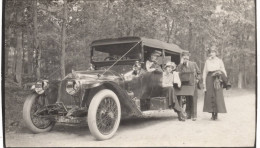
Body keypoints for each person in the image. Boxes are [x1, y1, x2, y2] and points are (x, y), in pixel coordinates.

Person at [202, 46, 227, 120]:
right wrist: (204, 83)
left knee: (217, 95)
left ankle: (216, 114)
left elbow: (223, 69)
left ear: (216, 53)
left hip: (217, 78)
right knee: (210, 95)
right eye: (211, 52)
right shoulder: (207, 61)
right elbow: (205, 72)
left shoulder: (219, 61)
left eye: (214, 52)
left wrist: (223, 78)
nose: (212, 53)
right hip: (209, 78)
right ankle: (212, 114)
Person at [177, 51, 201, 121]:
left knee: (194, 99)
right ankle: (188, 114)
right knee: (187, 100)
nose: (185, 60)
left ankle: (194, 115)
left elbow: (199, 73)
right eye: (184, 58)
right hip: (186, 85)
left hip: (193, 84)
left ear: (189, 58)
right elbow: (178, 72)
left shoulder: (193, 64)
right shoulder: (180, 66)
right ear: (182, 58)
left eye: (187, 58)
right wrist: (181, 64)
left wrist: (197, 79)